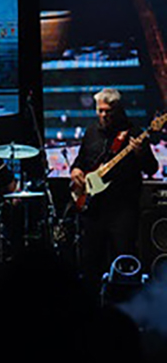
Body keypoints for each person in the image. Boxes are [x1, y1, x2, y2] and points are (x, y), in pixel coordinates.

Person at [70, 88, 159, 286]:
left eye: (108, 111)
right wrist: (75, 170)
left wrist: (140, 153)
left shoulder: (134, 134)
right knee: (91, 262)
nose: (103, 115)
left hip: (123, 209)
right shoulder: (91, 132)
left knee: (123, 261)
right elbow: (81, 160)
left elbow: (152, 168)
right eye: (100, 110)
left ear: (117, 110)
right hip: (93, 209)